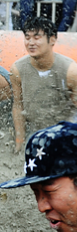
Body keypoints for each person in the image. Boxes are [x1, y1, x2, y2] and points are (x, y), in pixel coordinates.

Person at [11, 17, 77, 153]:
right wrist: (19, 141)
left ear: (52, 39)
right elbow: (18, 106)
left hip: (64, 131)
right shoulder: (18, 69)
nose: (31, 43)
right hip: (34, 132)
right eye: (27, 37)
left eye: (37, 37)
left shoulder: (70, 71)